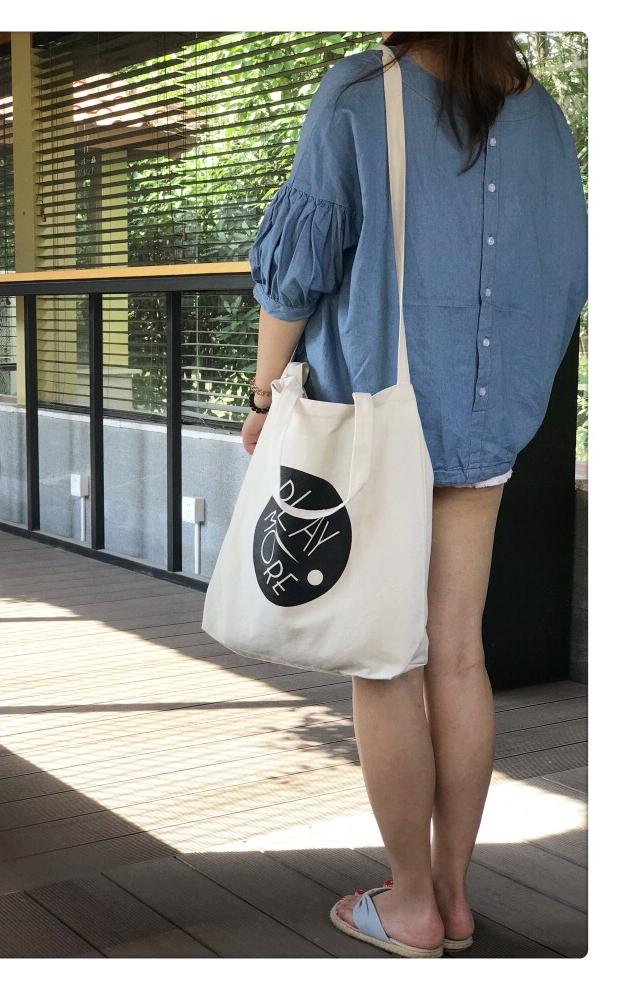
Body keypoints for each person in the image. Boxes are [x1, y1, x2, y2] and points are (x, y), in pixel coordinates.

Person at [242, 32, 588, 957]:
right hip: (487, 425)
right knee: (461, 656)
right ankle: (456, 898)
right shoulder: (543, 115)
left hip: (375, 417)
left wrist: (264, 395)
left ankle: (409, 903)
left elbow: (298, 269)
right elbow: (565, 280)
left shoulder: (360, 91)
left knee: (383, 658)